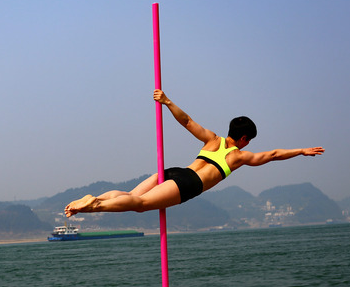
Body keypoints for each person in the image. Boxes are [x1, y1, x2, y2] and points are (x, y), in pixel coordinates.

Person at [64, 89, 324, 217]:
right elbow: (274, 154)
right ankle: (93, 205)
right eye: (248, 141)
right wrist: (301, 151)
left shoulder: (211, 139)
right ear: (244, 139)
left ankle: (96, 198)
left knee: (132, 195)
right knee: (140, 205)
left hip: (177, 171)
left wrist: (167, 101)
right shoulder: (238, 156)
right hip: (189, 184)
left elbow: (187, 121)